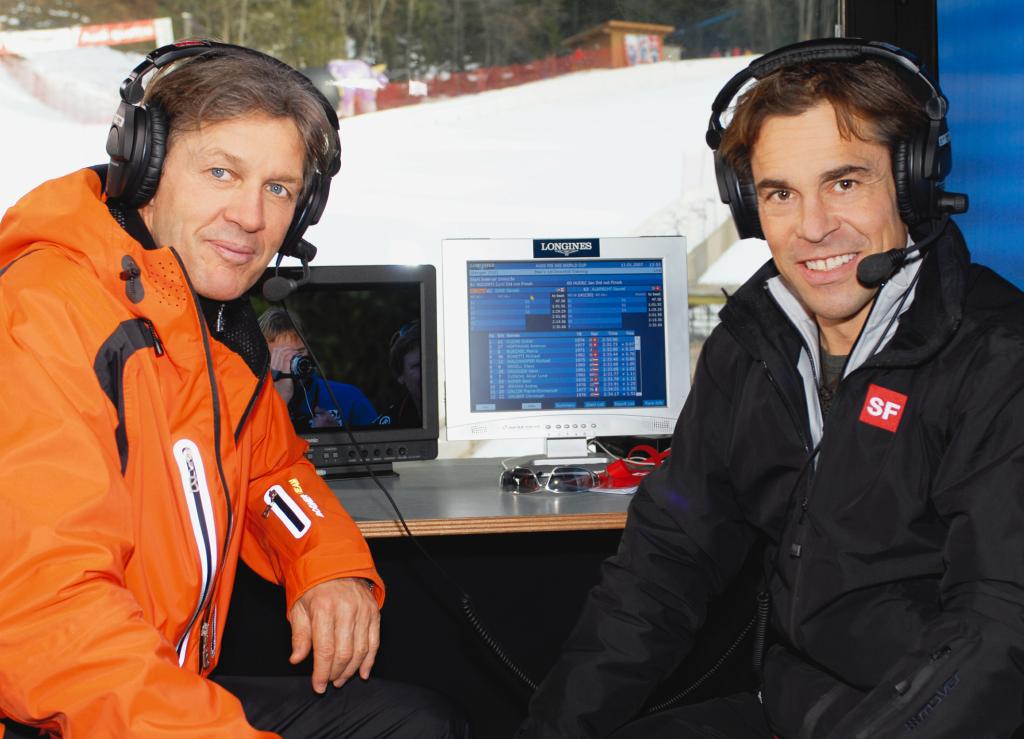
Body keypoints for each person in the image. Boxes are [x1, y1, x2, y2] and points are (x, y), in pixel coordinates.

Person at [518, 39, 1024, 738]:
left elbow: (997, 629)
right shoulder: (750, 347)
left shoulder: (996, 357)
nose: (812, 228)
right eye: (781, 193)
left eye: (844, 183)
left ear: (912, 182)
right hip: (792, 707)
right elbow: (663, 566)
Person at [0, 41, 467, 738]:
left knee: (418, 722)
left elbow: (272, 474)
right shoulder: (44, 314)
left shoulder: (214, 324)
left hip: (158, 684)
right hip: (63, 710)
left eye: (279, 188)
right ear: (144, 167)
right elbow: (47, 616)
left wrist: (324, 563)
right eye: (221, 172)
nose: (251, 216)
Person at [258, 307, 380, 429]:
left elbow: (377, 439)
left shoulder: (347, 398)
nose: (293, 362)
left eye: (300, 352)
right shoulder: (253, 404)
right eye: (281, 356)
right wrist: (280, 400)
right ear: (262, 359)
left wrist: (336, 436)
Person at [384, 320, 423, 427]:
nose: (430, 371)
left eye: (435, 362)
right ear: (400, 375)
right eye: (418, 365)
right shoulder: (388, 426)